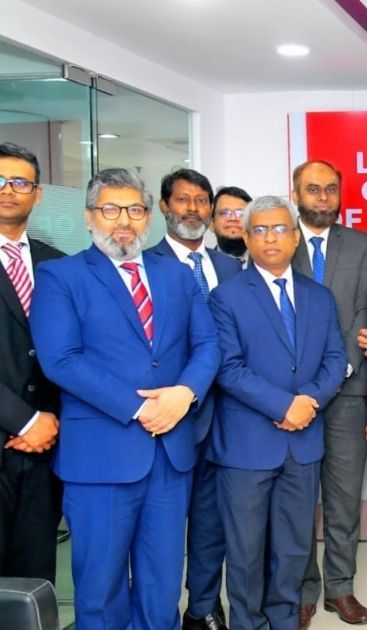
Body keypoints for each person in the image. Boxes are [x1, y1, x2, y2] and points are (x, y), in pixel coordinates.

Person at [30, 168, 220, 629]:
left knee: (162, 586)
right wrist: (140, 407)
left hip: (169, 456)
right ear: (89, 216)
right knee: (101, 588)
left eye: (135, 210)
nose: (124, 221)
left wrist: (184, 393)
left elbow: (208, 345)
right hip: (101, 457)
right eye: (110, 209)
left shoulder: (176, 275)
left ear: (149, 217)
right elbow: (61, 360)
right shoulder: (60, 275)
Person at [207, 195, 347, 630]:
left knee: (293, 547)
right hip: (247, 446)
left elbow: (335, 358)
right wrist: (284, 405)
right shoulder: (225, 297)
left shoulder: (319, 297)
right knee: (246, 550)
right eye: (261, 230)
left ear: (295, 237)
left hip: (302, 444)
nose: (271, 238)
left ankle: (284, 620)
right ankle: (247, 623)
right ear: (248, 238)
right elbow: (228, 367)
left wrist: (307, 401)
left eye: (280, 229)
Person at [146, 167, 242, 630]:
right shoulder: (145, 264)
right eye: (183, 200)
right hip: (172, 415)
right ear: (165, 206)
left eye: (201, 201)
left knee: (212, 521)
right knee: (163, 526)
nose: (192, 209)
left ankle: (202, 607)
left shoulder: (231, 266)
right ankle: (158, 609)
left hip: (229, 413)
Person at [290, 159, 367, 627]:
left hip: (347, 389)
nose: (322, 197)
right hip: (295, 398)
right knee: (300, 500)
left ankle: (340, 588)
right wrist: (310, 385)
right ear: (296, 194)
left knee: (344, 499)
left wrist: (339, 369)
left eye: (330, 189)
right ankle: (304, 590)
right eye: (313, 189)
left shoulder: (361, 244)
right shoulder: (281, 242)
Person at [0, 142, 63, 586]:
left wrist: (50, 419)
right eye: (0, 181)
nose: (8, 190)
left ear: (37, 194)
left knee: (35, 578)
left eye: (20, 182)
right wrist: (24, 421)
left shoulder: (56, 264)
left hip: (48, 449)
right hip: (13, 432)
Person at [213, 185, 251, 263]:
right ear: (211, 223)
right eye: (224, 213)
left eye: (241, 214)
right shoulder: (200, 266)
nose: (233, 218)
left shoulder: (269, 264)